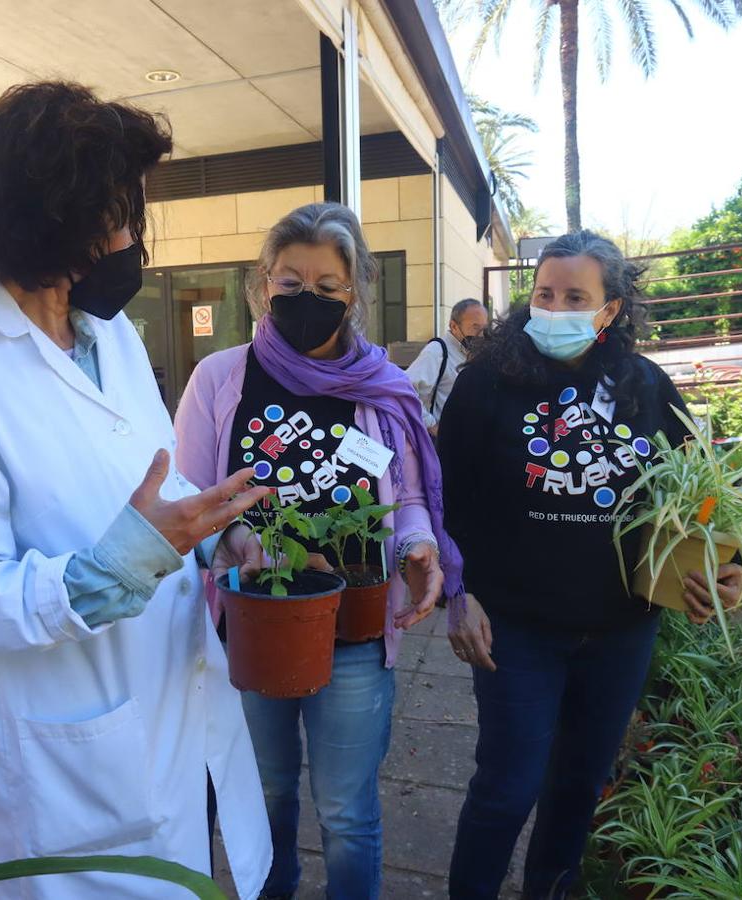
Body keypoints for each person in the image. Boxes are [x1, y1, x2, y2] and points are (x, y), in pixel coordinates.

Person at [0, 81, 274, 900]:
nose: (131, 238)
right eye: (115, 215)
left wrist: (214, 527)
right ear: (48, 219)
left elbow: (148, 471)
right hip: (64, 772)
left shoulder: (110, 335)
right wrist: (108, 572)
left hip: (164, 714)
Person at [439, 231, 742, 899]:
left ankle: (550, 890)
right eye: (545, 293)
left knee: (578, 785)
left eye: (576, 296)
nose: (555, 306)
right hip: (515, 631)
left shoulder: (647, 388)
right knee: (507, 786)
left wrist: (728, 565)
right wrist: (457, 595)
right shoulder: (486, 384)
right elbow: (445, 502)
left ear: (610, 309)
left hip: (619, 630)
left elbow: (705, 495)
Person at [174, 202, 464, 900]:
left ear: (356, 290)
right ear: (263, 283)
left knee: (348, 813)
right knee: (267, 796)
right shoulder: (220, 378)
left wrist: (419, 544)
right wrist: (240, 541)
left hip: (355, 628)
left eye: (328, 287)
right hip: (254, 625)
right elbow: (187, 499)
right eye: (291, 282)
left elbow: (410, 493)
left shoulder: (385, 389)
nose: (308, 299)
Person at [406, 298, 487, 435]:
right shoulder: (436, 352)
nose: (481, 334)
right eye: (475, 327)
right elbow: (405, 391)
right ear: (454, 326)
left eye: (484, 328)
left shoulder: (474, 352)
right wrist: (432, 426)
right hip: (442, 443)